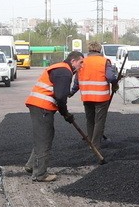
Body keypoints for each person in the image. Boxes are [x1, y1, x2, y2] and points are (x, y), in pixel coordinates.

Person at [24, 51, 84, 182]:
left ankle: (31, 165)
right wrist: (65, 113)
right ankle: (40, 174)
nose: (82, 66)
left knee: (45, 136)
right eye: (81, 62)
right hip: (42, 106)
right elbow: (61, 96)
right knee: (44, 138)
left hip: (39, 105)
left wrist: (64, 113)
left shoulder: (61, 68)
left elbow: (59, 95)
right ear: (73, 61)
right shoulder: (65, 72)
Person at [70, 41, 118, 149]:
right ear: (100, 50)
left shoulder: (82, 62)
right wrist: (115, 84)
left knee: (90, 120)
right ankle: (96, 145)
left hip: (87, 96)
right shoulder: (104, 61)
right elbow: (111, 77)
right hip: (101, 97)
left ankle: (91, 143)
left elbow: (77, 82)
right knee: (99, 121)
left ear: (89, 50)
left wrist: (71, 93)